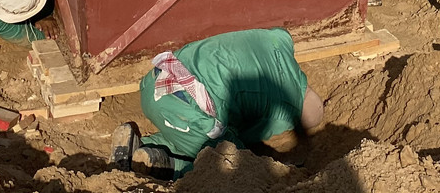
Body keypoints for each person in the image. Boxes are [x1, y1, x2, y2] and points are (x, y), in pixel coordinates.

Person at [112, 27, 325, 177]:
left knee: (196, 136)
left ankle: (139, 147)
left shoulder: (279, 41)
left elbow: (281, 33)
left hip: (156, 79)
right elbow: (246, 137)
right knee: (228, 165)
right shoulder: (285, 108)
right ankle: (170, 167)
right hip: (185, 104)